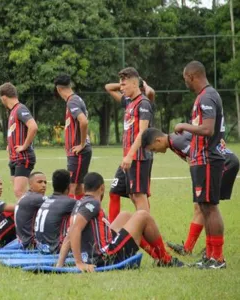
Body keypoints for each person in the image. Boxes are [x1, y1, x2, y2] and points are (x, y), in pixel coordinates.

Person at [57, 172, 183, 272]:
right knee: (143, 216)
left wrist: (59, 264)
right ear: (102, 188)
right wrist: (79, 262)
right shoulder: (93, 203)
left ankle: (158, 257)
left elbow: (69, 233)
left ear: (85, 188)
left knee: (125, 215)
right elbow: (75, 230)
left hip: (93, 254)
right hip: (105, 257)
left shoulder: (79, 203)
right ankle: (165, 259)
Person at [142, 128, 239, 256]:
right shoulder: (175, 139)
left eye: (154, 149)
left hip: (225, 163)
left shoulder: (177, 142)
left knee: (207, 206)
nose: (156, 152)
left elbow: (198, 155)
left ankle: (212, 249)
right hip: (226, 161)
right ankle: (189, 248)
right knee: (201, 206)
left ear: (158, 140)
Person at [174, 61, 226, 269]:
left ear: (192, 76)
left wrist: (183, 126)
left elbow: (207, 129)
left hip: (207, 159)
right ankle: (211, 256)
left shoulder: (206, 96)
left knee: (210, 207)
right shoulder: (205, 96)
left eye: (185, 78)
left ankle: (218, 259)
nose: (185, 81)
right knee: (204, 207)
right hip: (201, 159)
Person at [104, 68, 154, 222]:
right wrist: (123, 84)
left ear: (134, 84)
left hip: (138, 157)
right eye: (120, 84)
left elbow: (143, 133)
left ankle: (149, 236)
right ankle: (114, 233)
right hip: (128, 158)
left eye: (124, 84)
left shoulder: (144, 103)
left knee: (138, 197)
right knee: (123, 193)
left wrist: (130, 156)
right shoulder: (128, 102)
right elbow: (107, 87)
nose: (121, 88)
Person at [54, 75, 92, 200]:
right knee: (79, 186)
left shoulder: (72, 101)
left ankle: (69, 216)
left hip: (78, 151)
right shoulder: (76, 99)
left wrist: (81, 144)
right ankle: (79, 212)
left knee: (71, 186)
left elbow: (84, 121)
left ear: (59, 89)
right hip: (79, 151)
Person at [0, 82, 38, 199]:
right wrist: (9, 146)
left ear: (4, 97)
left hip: (23, 157)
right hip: (14, 158)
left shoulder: (20, 109)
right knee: (19, 193)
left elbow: (33, 126)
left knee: (19, 192)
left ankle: (34, 213)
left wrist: (24, 146)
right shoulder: (13, 111)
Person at [34, 169, 76, 254]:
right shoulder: (70, 202)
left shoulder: (47, 200)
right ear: (69, 186)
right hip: (55, 249)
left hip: (40, 246)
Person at [15, 172, 47, 250]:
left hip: (22, 240)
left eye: (45, 182)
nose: (43, 185)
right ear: (30, 185)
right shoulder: (36, 198)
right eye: (39, 182)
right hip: (32, 243)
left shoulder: (28, 195)